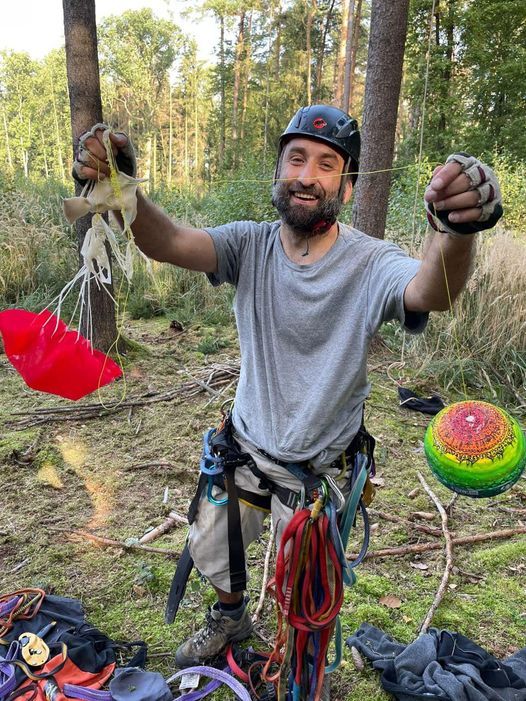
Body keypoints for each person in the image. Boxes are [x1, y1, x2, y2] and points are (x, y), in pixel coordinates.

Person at [74, 105, 502, 677]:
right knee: (213, 548)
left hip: (319, 472)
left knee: (306, 599)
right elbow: (169, 240)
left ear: (347, 188)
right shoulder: (248, 245)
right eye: (296, 158)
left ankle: (302, 671)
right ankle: (230, 619)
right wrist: (121, 188)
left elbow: (432, 290)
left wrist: (456, 230)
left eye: (327, 165)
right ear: (278, 171)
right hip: (244, 450)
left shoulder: (370, 262)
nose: (307, 175)